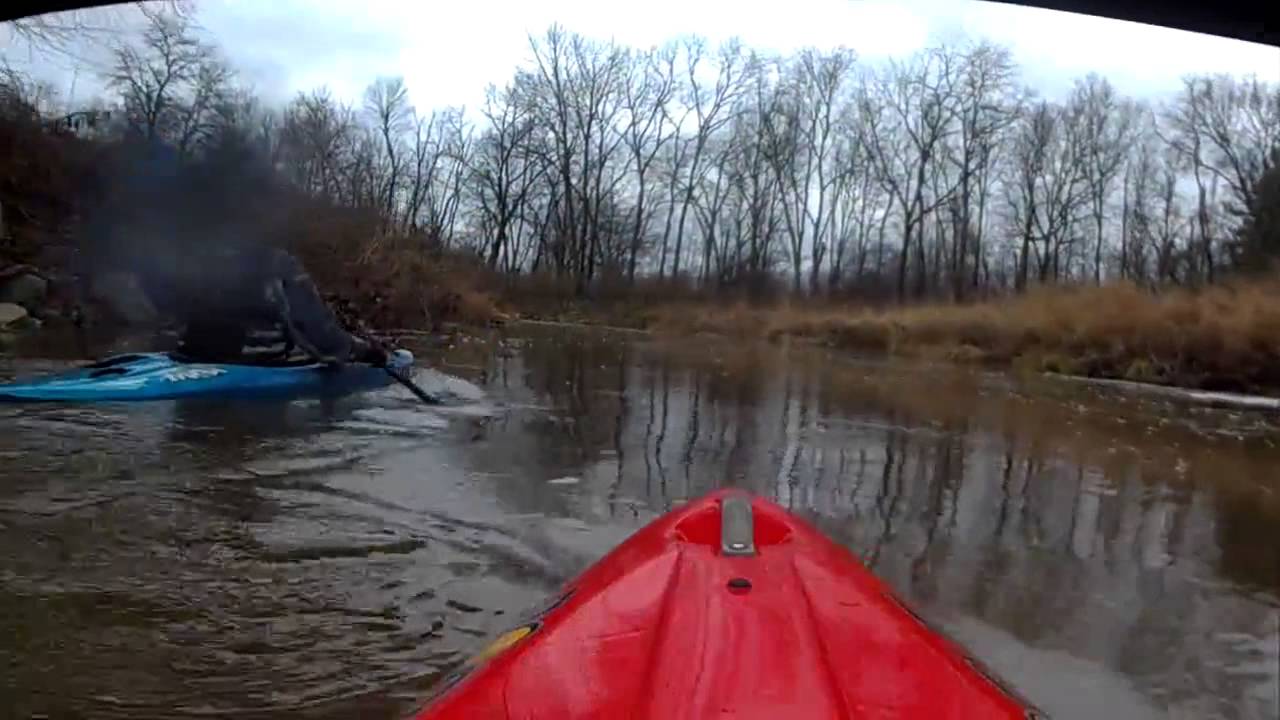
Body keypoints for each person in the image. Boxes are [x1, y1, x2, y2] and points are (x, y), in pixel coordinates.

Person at [152, 244, 389, 368]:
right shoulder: (278, 262)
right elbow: (319, 331)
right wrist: (363, 352)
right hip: (250, 363)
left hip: (190, 356)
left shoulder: (201, 255)